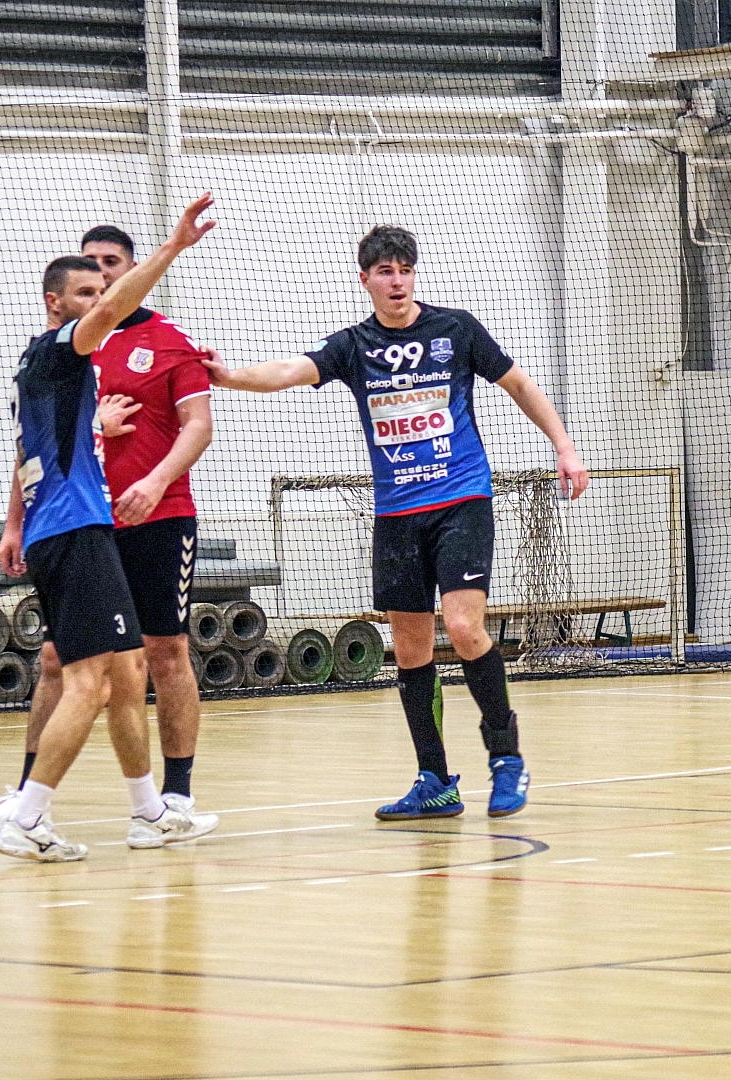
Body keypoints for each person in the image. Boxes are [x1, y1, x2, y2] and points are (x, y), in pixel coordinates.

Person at [202, 225, 588, 819]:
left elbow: (517, 382)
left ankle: (507, 758)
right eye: (385, 271)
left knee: (463, 626)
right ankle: (435, 779)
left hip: (461, 501)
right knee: (409, 647)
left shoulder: (455, 329)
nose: (397, 281)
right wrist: (229, 377)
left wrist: (563, 444)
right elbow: (288, 370)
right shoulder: (354, 346)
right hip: (398, 516)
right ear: (366, 280)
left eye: (405, 270)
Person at [0, 225, 218, 839]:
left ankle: (161, 805)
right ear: (56, 299)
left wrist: (146, 474)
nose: (100, 283)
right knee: (77, 672)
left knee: (143, 659)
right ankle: (28, 810)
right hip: (80, 527)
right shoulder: (71, 345)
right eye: (87, 277)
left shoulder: (141, 343)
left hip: (134, 521)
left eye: (109, 268)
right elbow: (40, 439)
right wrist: (175, 246)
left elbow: (196, 425)